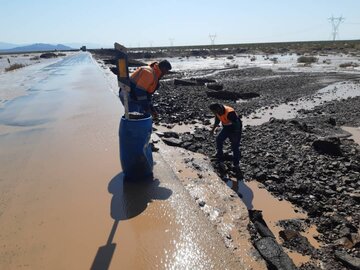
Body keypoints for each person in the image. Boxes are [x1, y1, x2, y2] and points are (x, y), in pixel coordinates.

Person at [209, 103, 242, 174]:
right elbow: (217, 120)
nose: (214, 113)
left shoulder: (230, 112)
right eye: (213, 112)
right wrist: (213, 130)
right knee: (219, 139)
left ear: (218, 108)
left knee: (235, 146)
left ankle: (236, 165)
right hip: (226, 128)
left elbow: (237, 124)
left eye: (214, 111)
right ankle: (220, 158)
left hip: (235, 129)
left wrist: (235, 134)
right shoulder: (217, 112)